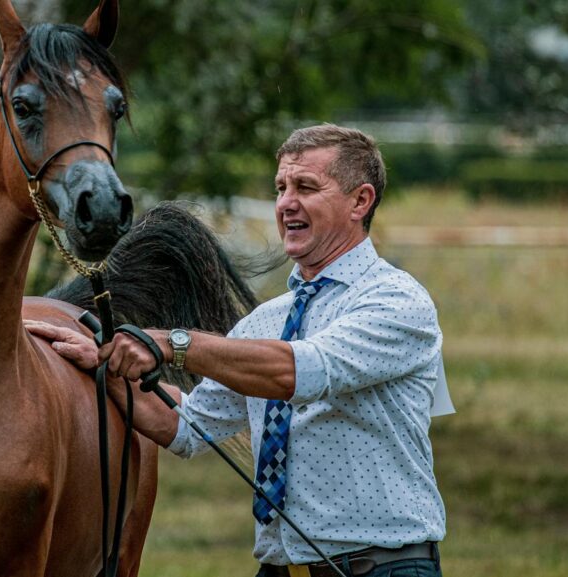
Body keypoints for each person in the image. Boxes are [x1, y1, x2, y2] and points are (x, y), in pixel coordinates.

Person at [26, 124, 453, 577]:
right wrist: (108, 366)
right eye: (281, 187)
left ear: (360, 201)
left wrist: (172, 344)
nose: (287, 203)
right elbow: (186, 426)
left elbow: (298, 372)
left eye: (306, 187)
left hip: (383, 569)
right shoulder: (267, 319)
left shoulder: (395, 300)